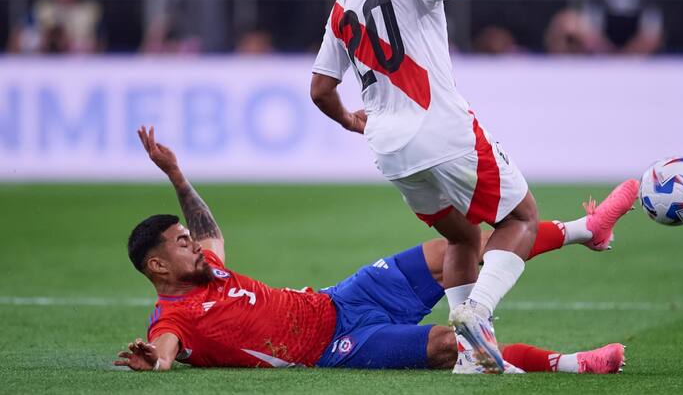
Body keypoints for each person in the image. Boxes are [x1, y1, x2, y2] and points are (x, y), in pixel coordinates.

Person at [310, 0, 640, 373]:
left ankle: (469, 356)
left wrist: (352, 120)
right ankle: (477, 313)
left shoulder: (342, 4)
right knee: (520, 219)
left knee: (464, 238)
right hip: (439, 129)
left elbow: (320, 89)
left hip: (390, 151)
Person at [115, 126, 630, 374]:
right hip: (335, 347)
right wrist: (151, 359)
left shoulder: (207, 269)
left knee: (460, 243)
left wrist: (177, 175)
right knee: (452, 345)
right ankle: (575, 364)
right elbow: (163, 352)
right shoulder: (173, 320)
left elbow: (209, 232)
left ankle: (588, 228)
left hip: (340, 299)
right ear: (157, 265)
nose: (195, 246)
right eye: (181, 244)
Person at [8, 0, 103, 54]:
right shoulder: (44, 7)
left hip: (79, 55)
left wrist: (69, 43)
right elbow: (18, 34)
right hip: (42, 54)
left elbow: (101, 40)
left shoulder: (89, 8)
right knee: (30, 38)